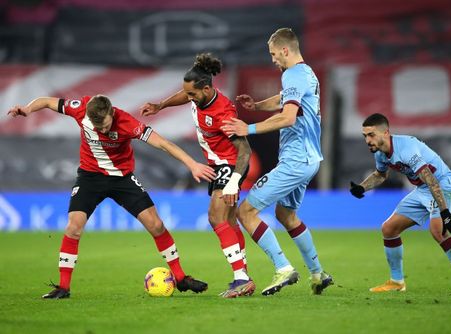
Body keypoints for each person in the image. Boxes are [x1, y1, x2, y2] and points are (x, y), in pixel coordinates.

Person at [8, 95, 217, 299]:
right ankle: (63, 287)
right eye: (99, 128)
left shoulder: (127, 122)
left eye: (107, 126)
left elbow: (163, 144)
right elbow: (46, 101)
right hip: (89, 178)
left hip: (122, 180)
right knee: (73, 227)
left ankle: (180, 277)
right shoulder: (79, 109)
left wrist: (192, 164)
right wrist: (28, 108)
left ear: (111, 112)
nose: (104, 131)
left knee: (156, 225)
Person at [221, 28, 333, 296]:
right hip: (309, 158)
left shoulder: (292, 74)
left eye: (273, 54)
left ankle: (283, 267)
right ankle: (318, 274)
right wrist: (257, 105)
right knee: (286, 215)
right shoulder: (307, 74)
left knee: (245, 212)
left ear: (285, 50)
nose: (272, 59)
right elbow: (285, 101)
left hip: (295, 160)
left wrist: (247, 128)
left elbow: (288, 117)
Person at [140, 53, 255, 298]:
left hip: (230, 166)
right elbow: (184, 95)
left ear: (205, 89)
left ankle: (241, 278)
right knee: (230, 222)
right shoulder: (199, 96)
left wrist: (234, 182)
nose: (189, 98)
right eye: (187, 94)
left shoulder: (224, 114)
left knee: (215, 217)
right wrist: (161, 105)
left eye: (193, 94)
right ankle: (243, 277)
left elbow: (244, 150)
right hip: (217, 165)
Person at [349, 113, 451, 293]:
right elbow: (381, 175)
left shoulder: (407, 148)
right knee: (389, 229)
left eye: (371, 135)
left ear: (385, 132)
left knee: (438, 231)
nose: (367, 140)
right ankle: (397, 282)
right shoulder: (380, 152)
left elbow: (431, 179)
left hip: (443, 185)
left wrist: (445, 213)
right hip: (422, 189)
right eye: (365, 136)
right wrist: (362, 188)